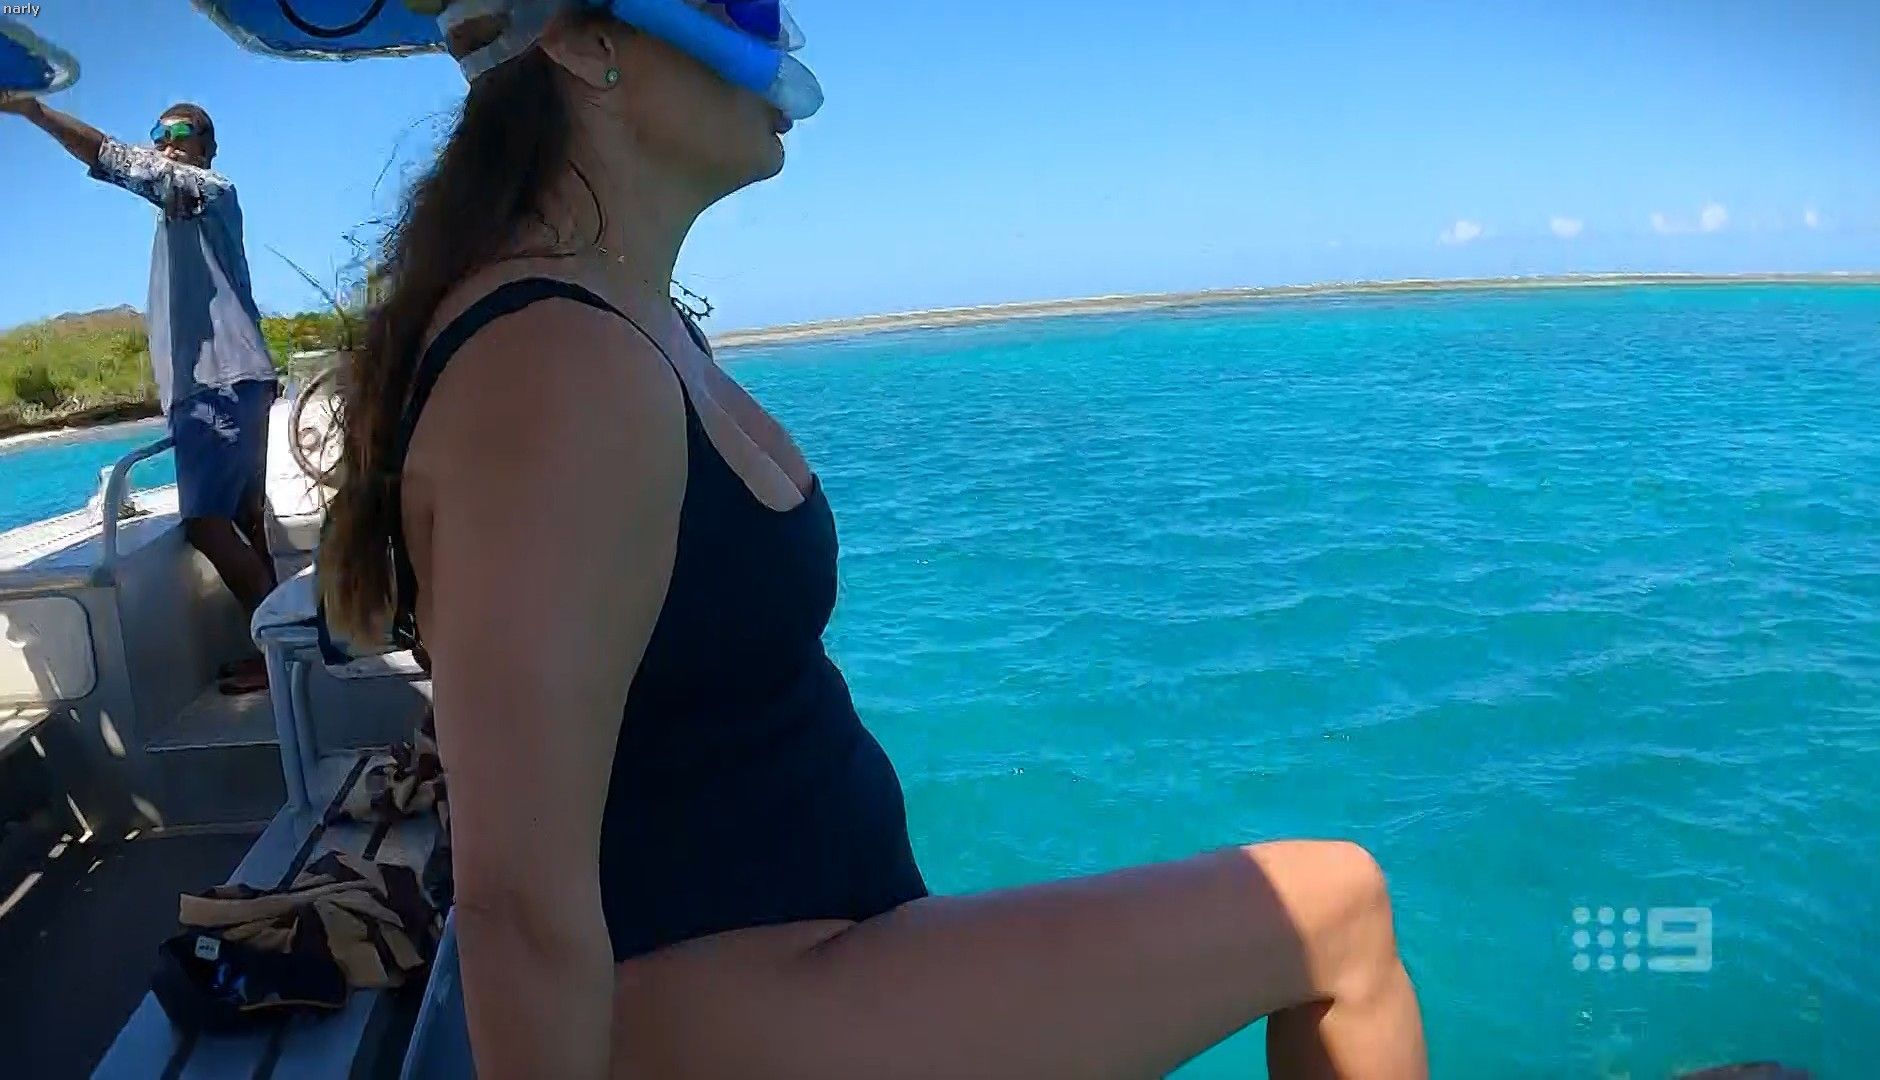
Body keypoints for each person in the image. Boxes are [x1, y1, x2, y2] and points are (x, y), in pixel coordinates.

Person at [314, 3, 1427, 1077]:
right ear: (583, 37)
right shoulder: (555, 362)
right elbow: (517, 906)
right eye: (739, 2)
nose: (778, 35)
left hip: (813, 955)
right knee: (1337, 916)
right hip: (715, 991)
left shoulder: (624, 317)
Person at [2, 96, 279, 694]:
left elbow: (110, 156)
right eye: (158, 130)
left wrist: (34, 111)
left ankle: (278, 652)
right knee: (246, 518)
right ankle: (281, 650)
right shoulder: (187, 212)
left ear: (208, 146)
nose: (164, 140)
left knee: (206, 525)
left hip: (217, 384)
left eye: (179, 130)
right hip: (235, 382)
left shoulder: (204, 189)